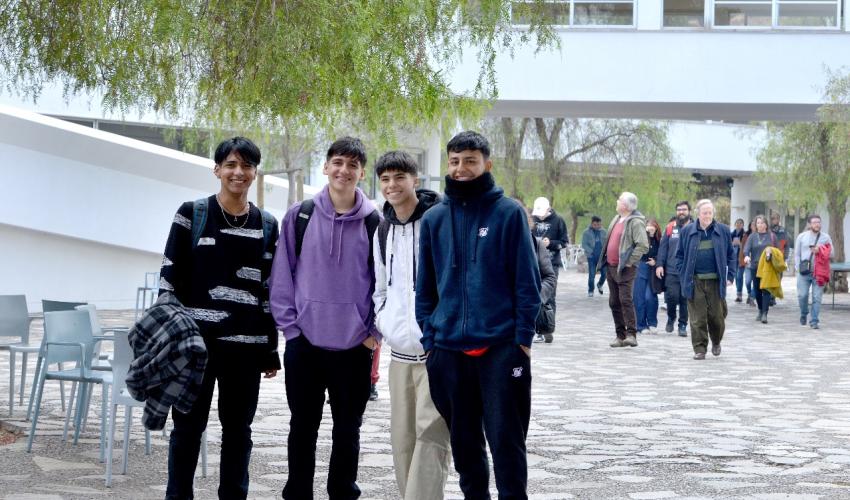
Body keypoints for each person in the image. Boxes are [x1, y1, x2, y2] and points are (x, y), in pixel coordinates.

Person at [416, 131, 540, 500]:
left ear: (487, 163)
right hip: (449, 352)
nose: (461, 168)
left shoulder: (509, 213)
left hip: (500, 348)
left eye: (470, 160)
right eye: (454, 161)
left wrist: (523, 341)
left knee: (507, 444)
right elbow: (426, 289)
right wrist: (430, 342)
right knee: (465, 448)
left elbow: (527, 283)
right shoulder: (436, 218)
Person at [158, 137, 281, 500]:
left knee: (239, 432)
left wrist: (269, 349)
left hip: (245, 349)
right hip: (194, 348)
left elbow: (269, 291)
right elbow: (168, 279)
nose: (238, 172)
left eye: (246, 166)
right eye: (230, 165)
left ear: (255, 172)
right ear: (217, 170)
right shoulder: (192, 213)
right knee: (186, 430)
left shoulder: (267, 225)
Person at [269, 136, 381, 500]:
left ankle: (342, 493)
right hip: (305, 345)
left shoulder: (375, 223)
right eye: (337, 162)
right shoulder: (299, 216)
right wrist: (292, 331)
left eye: (352, 165)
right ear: (325, 166)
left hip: (354, 346)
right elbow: (282, 275)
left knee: (348, 431)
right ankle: (298, 492)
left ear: (362, 172)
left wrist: (373, 334)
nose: (343, 171)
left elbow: (386, 283)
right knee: (302, 427)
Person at [370, 150, 450, 499]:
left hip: (435, 351)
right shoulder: (383, 227)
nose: (392, 185)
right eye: (385, 179)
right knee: (402, 438)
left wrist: (440, 328)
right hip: (400, 353)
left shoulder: (438, 221)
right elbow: (380, 285)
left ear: (415, 180)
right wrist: (384, 319)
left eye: (399, 177)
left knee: (431, 435)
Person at [675, 199, 735, 360]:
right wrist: (683, 273)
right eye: (704, 213)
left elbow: (731, 255)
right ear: (698, 214)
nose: (707, 216)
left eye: (710, 212)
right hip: (695, 281)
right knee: (697, 318)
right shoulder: (687, 231)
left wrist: (731, 276)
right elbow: (679, 255)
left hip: (716, 282)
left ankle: (716, 340)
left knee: (717, 317)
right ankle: (699, 348)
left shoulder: (722, 230)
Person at [598, 192, 648, 348]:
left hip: (625, 268)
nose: (617, 202)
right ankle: (620, 336)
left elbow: (643, 245)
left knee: (625, 300)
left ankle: (631, 335)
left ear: (625, 206)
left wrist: (629, 262)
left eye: (619, 200)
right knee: (614, 301)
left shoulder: (635, 222)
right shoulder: (617, 218)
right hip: (611, 266)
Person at [656, 201, 693, 337]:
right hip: (671, 270)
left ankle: (682, 325)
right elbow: (663, 247)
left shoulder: (696, 227)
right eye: (678, 210)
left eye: (684, 209)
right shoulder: (671, 228)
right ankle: (671, 317)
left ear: (689, 211)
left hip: (688, 271)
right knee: (671, 297)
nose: (681, 212)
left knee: (684, 299)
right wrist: (659, 265)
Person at [525, 205, 558, 344]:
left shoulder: (537, 245)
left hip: (529, 308)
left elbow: (549, 277)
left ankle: (544, 330)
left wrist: (538, 297)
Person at [532, 196, 569, 322]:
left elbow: (564, 242)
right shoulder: (531, 220)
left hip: (551, 263)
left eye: (542, 214)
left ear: (548, 209)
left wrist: (551, 243)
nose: (540, 217)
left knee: (550, 296)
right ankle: (536, 326)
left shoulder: (558, 220)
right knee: (533, 294)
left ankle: (548, 326)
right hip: (532, 262)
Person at [794, 214, 834, 329]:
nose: (817, 224)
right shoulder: (801, 237)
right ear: (809, 224)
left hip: (819, 272)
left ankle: (814, 321)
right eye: (815, 222)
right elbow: (797, 254)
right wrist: (797, 267)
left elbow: (832, 253)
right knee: (802, 295)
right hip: (804, 272)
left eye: (819, 222)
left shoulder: (825, 237)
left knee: (817, 297)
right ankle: (804, 313)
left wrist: (820, 250)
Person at [743, 214, 778, 324]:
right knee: (757, 290)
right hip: (755, 266)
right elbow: (746, 249)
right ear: (755, 225)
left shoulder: (772, 236)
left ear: (766, 225)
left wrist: (771, 253)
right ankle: (760, 309)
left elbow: (777, 251)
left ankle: (764, 313)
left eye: (762, 223)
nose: (760, 225)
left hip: (768, 267)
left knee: (766, 290)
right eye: (758, 223)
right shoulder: (752, 236)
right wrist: (747, 256)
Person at [634, 218, 661, 335]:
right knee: (639, 298)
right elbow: (637, 250)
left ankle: (652, 323)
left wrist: (656, 261)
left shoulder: (659, 240)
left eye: (653, 226)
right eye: (649, 226)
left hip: (652, 271)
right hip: (640, 268)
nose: (651, 229)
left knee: (650, 297)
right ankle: (640, 325)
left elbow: (663, 253)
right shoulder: (640, 238)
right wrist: (646, 235)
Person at [581, 216, 607, 297]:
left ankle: (599, 284)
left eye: (599, 224)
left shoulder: (604, 231)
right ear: (592, 224)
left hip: (602, 257)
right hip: (591, 257)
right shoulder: (586, 232)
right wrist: (591, 252)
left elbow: (607, 242)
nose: (597, 226)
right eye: (595, 224)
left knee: (605, 274)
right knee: (592, 275)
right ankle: (591, 290)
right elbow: (584, 244)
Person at [740, 220, 756, 306]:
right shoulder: (746, 236)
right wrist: (742, 260)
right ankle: (750, 294)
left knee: (756, 281)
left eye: (755, 224)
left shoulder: (761, 236)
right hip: (748, 262)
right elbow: (743, 249)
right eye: (752, 225)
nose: (753, 226)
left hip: (757, 263)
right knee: (748, 281)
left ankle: (752, 297)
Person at [731, 218, 746, 302]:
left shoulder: (745, 234)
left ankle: (740, 294)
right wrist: (732, 244)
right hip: (734, 258)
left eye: (740, 223)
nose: (738, 224)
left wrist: (741, 245)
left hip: (741, 257)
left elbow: (746, 246)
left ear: (743, 225)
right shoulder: (731, 234)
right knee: (736, 277)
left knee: (739, 276)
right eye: (737, 223)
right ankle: (738, 294)